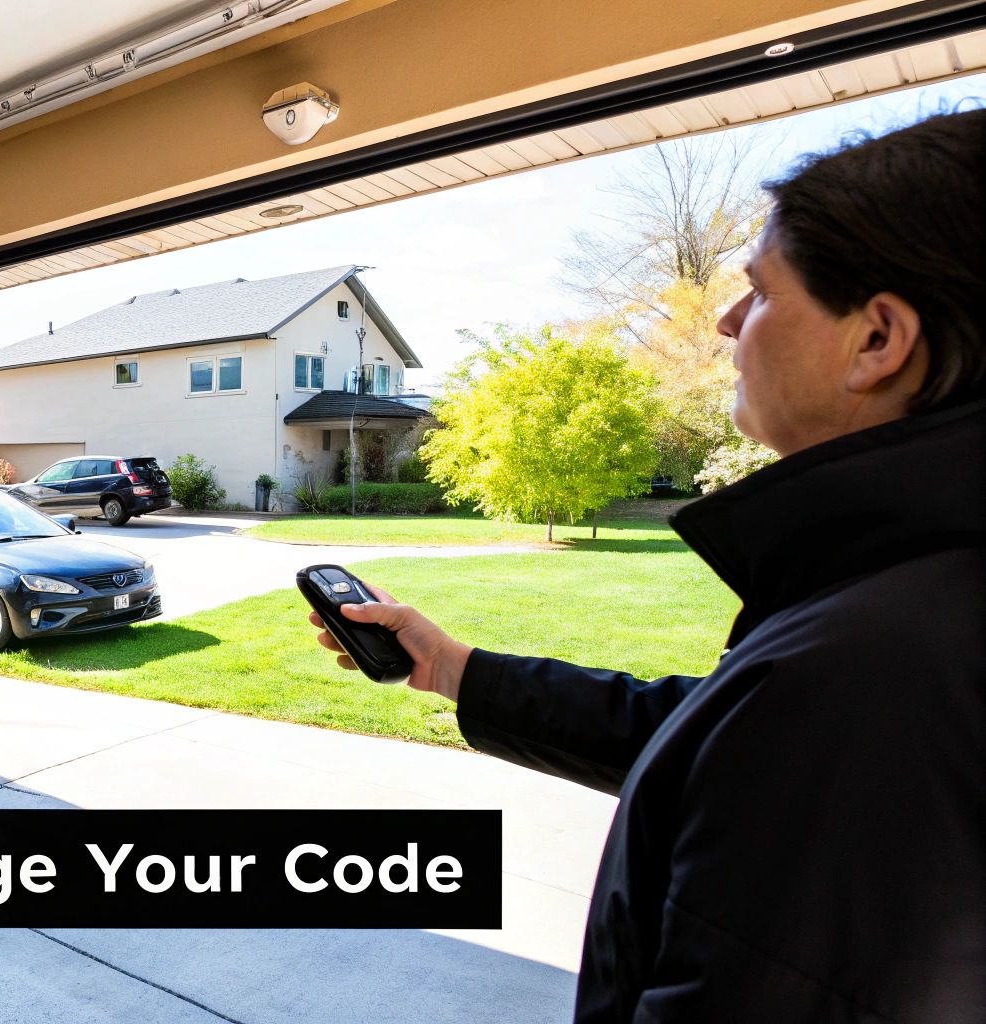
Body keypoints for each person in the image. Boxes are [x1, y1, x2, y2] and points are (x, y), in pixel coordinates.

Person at [312, 108, 986, 1022]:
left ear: (877, 340)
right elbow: (722, 740)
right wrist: (451, 668)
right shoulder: (907, 594)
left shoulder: (881, 667)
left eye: (762, 291)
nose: (725, 320)